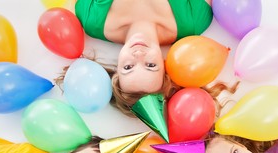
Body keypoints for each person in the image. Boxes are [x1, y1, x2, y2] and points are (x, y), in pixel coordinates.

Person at [56, 0, 239, 117]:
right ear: (165, 65)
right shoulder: (193, 20)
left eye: (128, 67)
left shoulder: (92, 20)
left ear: (117, 69)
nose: (138, 55)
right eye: (150, 65)